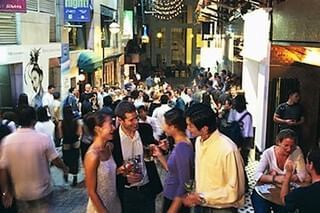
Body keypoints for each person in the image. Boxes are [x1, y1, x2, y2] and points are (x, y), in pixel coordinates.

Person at [0, 106, 69, 212]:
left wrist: (6, 191)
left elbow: (3, 169)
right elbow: (55, 160)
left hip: (20, 192)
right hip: (42, 191)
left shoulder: (7, 141)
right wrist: (64, 168)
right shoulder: (43, 139)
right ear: (34, 120)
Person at [182, 103, 245, 213]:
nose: (188, 128)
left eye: (190, 125)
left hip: (221, 209)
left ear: (204, 129)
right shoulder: (198, 141)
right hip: (200, 204)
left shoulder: (228, 149)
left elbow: (234, 191)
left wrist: (204, 197)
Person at [112, 100, 162, 213]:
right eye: (131, 120)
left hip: (147, 189)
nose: (135, 122)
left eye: (136, 118)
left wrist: (161, 147)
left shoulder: (145, 129)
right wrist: (125, 179)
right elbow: (110, 170)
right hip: (126, 193)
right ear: (120, 120)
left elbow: (154, 147)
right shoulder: (113, 140)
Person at [251, 129, 309, 213]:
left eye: (292, 146)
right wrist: (276, 178)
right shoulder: (268, 153)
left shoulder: (296, 151)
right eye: (286, 145)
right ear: (278, 142)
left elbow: (303, 175)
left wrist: (286, 178)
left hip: (286, 191)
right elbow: (257, 175)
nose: (289, 149)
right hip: (268, 190)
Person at [153, 108, 194, 213]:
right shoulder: (179, 144)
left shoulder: (182, 147)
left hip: (175, 200)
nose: (163, 127)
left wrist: (172, 210)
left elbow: (184, 182)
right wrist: (161, 156)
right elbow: (173, 170)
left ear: (173, 127)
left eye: (165, 124)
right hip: (171, 195)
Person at [84, 111, 121, 213]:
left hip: (114, 203)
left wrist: (120, 170)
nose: (114, 128)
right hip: (99, 208)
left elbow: (105, 175)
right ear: (98, 129)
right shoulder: (92, 156)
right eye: (110, 124)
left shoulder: (109, 147)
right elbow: (91, 191)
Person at [280, 148, 320, 212]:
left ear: (311, 165)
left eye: (306, 162)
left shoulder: (302, 194)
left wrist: (288, 175)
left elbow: (284, 200)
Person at [60, 106, 81, 186]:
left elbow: (60, 135)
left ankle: (66, 174)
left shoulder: (61, 123)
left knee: (66, 160)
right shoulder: (76, 122)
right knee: (75, 160)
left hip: (66, 143)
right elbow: (78, 133)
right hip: (75, 142)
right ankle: (75, 178)